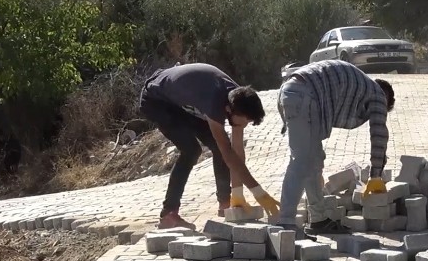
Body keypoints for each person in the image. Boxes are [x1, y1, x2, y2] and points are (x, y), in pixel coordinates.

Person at [139, 63, 279, 230]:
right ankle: (169, 214)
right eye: (244, 121)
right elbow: (228, 153)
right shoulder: (214, 103)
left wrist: (238, 194)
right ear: (228, 110)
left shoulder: (238, 98)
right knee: (191, 151)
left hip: (181, 100)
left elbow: (237, 152)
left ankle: (226, 204)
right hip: (156, 100)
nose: (244, 125)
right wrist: (259, 193)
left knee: (219, 148)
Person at [276, 60, 395, 236]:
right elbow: (379, 134)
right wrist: (376, 175)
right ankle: (285, 223)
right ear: (386, 99)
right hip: (305, 95)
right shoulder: (378, 95)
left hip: (293, 90)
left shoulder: (360, 83)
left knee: (314, 159)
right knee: (301, 160)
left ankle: (319, 219)